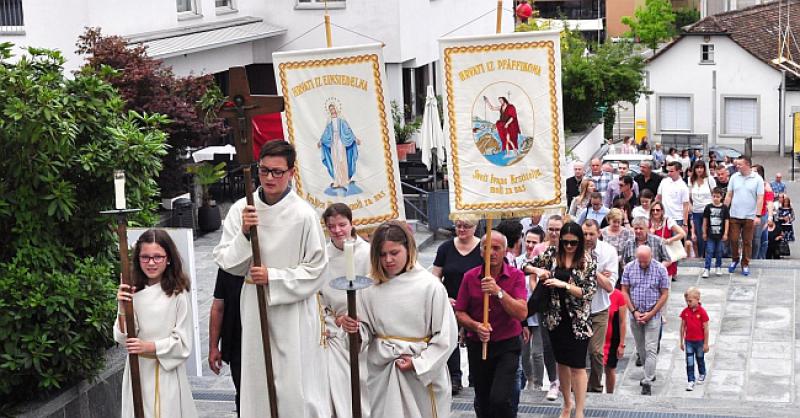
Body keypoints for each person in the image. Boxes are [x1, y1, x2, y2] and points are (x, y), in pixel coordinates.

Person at [213, 140, 329, 417]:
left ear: (291, 172)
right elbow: (228, 263)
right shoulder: (242, 210)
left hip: (292, 310)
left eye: (277, 172)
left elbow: (316, 269)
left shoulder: (304, 215)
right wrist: (243, 233)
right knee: (257, 382)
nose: (269, 178)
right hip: (253, 305)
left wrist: (273, 277)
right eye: (264, 170)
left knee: (293, 386)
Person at [355, 221, 457, 418]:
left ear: (408, 249)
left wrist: (419, 363)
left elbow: (446, 336)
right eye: (382, 254)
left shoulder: (430, 286)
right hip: (383, 370)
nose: (388, 260)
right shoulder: (369, 286)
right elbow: (364, 331)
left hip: (419, 372)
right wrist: (354, 329)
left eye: (394, 253)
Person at [115, 229, 197, 418]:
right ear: (138, 259)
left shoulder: (177, 294)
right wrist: (122, 305)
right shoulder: (133, 290)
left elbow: (183, 344)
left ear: (168, 258)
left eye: (157, 257)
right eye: (145, 257)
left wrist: (148, 346)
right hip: (137, 370)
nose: (151, 263)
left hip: (164, 372)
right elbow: (123, 336)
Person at [525, 222, 597, 418]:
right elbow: (525, 264)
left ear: (579, 242)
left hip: (578, 321)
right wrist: (537, 271)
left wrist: (563, 284)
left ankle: (580, 410)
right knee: (562, 363)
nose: (569, 246)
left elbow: (587, 292)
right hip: (555, 318)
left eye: (573, 243)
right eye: (565, 242)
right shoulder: (551, 253)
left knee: (578, 365)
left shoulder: (586, 260)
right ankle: (567, 404)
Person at [455, 231, 528, 418]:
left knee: (500, 398)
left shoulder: (516, 276)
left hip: (507, 344)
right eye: (487, 248)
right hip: (478, 344)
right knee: (483, 399)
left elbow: (521, 312)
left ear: (505, 251)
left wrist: (499, 292)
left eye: (496, 248)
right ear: (480, 252)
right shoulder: (470, 277)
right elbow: (460, 312)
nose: (491, 253)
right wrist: (475, 326)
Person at [317, 203, 371, 417]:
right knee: (337, 387)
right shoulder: (321, 256)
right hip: (336, 333)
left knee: (363, 391)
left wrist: (361, 319)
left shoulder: (368, 253)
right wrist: (336, 319)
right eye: (332, 227)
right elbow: (317, 298)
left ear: (352, 223)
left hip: (364, 326)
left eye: (342, 224)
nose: (338, 231)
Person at [431, 218, 482, 395]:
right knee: (450, 339)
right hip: (450, 301)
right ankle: (454, 377)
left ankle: (476, 377)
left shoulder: (482, 247)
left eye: (466, 227)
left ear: (475, 227)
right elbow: (435, 274)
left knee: (475, 339)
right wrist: (444, 295)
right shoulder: (445, 248)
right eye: (458, 226)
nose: (461, 230)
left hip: (475, 302)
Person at [621, 245, 670, 396]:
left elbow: (664, 294)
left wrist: (652, 313)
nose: (642, 264)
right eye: (640, 261)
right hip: (635, 314)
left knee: (650, 348)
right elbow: (624, 290)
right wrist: (634, 311)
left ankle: (647, 381)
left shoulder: (660, 269)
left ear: (651, 256)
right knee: (640, 348)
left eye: (645, 261)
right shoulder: (629, 268)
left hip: (653, 315)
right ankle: (650, 371)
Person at [527, 215, 563, 401]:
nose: (554, 233)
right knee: (547, 344)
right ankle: (554, 381)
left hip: (565, 304)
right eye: (551, 229)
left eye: (558, 229)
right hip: (546, 304)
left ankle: (567, 381)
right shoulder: (541, 249)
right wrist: (539, 292)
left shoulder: (569, 248)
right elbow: (530, 273)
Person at [582, 220, 618, 394]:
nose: (588, 238)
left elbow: (609, 286)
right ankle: (578, 386)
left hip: (599, 308)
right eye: (585, 234)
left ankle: (596, 387)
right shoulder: (573, 248)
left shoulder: (608, 251)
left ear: (599, 233)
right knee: (578, 352)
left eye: (591, 234)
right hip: (578, 308)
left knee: (596, 352)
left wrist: (591, 269)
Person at [516, 228, 551, 393]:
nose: (530, 245)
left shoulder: (545, 261)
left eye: (534, 242)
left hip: (537, 312)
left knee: (537, 352)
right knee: (523, 352)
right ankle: (529, 378)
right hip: (522, 313)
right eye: (527, 241)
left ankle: (537, 383)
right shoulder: (518, 261)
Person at [209, 269, 245, 415]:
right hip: (238, 342)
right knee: (242, 391)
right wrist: (213, 347)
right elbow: (218, 307)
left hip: (269, 342)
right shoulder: (229, 264)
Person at [724, 156, 764, 276]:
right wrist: (724, 210)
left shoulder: (757, 179)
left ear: (747, 164)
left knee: (747, 241)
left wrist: (758, 215)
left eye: (740, 164)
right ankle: (735, 259)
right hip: (735, 214)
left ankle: (745, 263)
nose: (737, 166)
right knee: (734, 239)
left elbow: (760, 198)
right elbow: (729, 194)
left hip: (750, 216)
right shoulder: (734, 177)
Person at [319, 102, 360, 191]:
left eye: (333, 108)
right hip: (333, 141)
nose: (332, 111)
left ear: (336, 108)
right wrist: (321, 140)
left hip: (341, 140)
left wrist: (355, 138)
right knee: (335, 160)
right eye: (330, 109)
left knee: (342, 159)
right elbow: (326, 132)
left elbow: (348, 130)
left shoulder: (341, 119)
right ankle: (337, 181)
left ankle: (345, 180)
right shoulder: (329, 120)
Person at [679, 287, 709, 392]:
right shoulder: (685, 312)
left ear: (697, 299)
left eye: (690, 301)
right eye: (687, 301)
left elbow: (706, 329)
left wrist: (706, 343)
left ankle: (702, 372)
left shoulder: (702, 312)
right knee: (689, 360)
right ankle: (691, 380)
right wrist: (681, 341)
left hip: (699, 341)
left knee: (700, 358)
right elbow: (682, 326)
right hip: (689, 341)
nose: (688, 303)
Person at [650, 201, 685, 281]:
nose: (655, 212)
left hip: (665, 255)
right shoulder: (648, 221)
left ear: (662, 211)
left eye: (657, 210)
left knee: (665, 283)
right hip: (652, 255)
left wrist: (669, 240)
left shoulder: (668, 221)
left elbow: (682, 233)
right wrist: (651, 232)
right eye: (653, 210)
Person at [689, 160, 717, 258]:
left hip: (708, 211)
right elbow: (688, 196)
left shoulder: (709, 179)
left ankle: (710, 255)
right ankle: (702, 255)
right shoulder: (691, 180)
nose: (699, 170)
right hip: (696, 211)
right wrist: (691, 207)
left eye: (701, 167)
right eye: (697, 167)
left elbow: (715, 194)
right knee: (700, 235)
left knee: (709, 234)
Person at [603, 280, 627, 394]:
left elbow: (622, 322)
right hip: (595, 338)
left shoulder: (618, 295)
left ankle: (609, 395)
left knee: (610, 369)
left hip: (612, 339)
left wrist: (621, 344)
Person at [702, 188, 729, 277]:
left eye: (717, 197)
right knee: (709, 251)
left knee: (719, 251)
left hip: (720, 235)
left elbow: (726, 221)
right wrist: (704, 232)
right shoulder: (708, 207)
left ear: (721, 197)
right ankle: (707, 268)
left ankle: (718, 267)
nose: (715, 198)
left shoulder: (724, 208)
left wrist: (725, 233)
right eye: (714, 196)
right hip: (710, 234)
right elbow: (705, 220)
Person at [656, 161, 690, 228]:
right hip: (664, 218)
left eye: (671, 171)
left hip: (677, 219)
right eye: (668, 171)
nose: (669, 173)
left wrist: (685, 223)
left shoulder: (683, 186)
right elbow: (658, 198)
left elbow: (685, 205)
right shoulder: (664, 182)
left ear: (679, 171)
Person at [752, 165, 774, 260]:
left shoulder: (766, 186)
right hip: (751, 213)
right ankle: (754, 257)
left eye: (754, 171)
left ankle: (759, 258)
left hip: (762, 214)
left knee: (761, 239)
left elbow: (769, 202)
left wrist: (770, 217)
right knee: (756, 239)